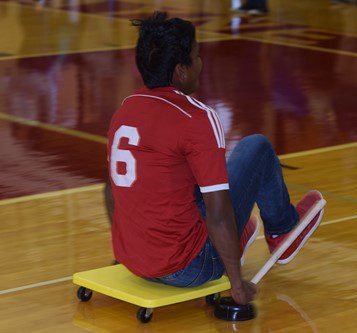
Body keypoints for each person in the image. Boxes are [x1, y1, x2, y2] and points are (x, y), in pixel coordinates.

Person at [105, 12, 325, 306]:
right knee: (255, 148)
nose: (201, 63)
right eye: (197, 56)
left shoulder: (125, 110)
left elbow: (110, 191)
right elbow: (218, 210)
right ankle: (283, 230)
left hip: (134, 261)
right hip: (190, 269)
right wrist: (236, 284)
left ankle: (238, 236)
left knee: (176, 178)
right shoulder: (196, 117)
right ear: (181, 71)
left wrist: (127, 250)